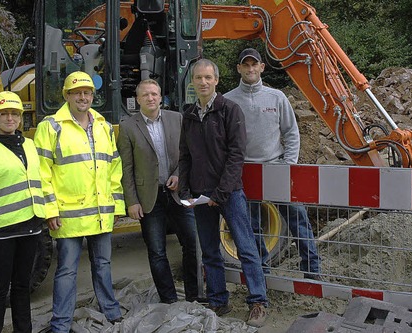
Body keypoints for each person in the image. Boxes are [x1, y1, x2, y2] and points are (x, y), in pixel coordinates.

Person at [179, 59, 268, 327]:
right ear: (193, 82)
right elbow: (185, 156)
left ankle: (258, 302)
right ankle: (218, 300)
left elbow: (236, 155)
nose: (203, 82)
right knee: (209, 250)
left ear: (216, 80)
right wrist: (185, 189)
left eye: (208, 77)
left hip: (229, 193)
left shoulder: (229, 110)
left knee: (246, 247)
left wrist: (221, 191)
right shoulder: (190, 115)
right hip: (200, 194)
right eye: (198, 78)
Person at [34, 71, 125, 332]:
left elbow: (113, 169)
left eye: (87, 93)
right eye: (77, 93)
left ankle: (111, 311)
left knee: (103, 266)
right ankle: (60, 324)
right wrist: (50, 210)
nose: (83, 97)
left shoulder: (104, 127)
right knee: (66, 272)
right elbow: (43, 173)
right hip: (68, 216)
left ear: (93, 97)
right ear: (67, 96)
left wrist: (116, 206)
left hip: (100, 214)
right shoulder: (51, 127)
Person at [224, 48, 321, 279]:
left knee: (298, 219)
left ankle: (312, 271)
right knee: (254, 227)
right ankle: (263, 272)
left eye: (254, 64)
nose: (250, 69)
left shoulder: (276, 97)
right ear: (239, 68)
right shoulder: (228, 101)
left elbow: (291, 132)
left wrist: (288, 164)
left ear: (261, 67)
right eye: (245, 65)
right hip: (246, 172)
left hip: (276, 167)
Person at [117, 79, 199, 304]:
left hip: (177, 194)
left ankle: (194, 295)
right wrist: (131, 201)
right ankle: (169, 299)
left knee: (192, 244)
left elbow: (187, 154)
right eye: (145, 95)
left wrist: (179, 174)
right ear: (138, 99)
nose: (150, 98)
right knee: (156, 251)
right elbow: (126, 167)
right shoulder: (128, 126)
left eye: (154, 94)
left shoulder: (177, 119)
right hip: (148, 199)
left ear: (161, 97)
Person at [0, 91, 45, 333]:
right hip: (1, 232)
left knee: (23, 287)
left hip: (30, 228)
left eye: (14, 113)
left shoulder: (30, 146)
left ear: (20, 117)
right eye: (4, 114)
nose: (9, 118)